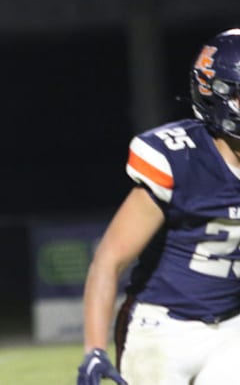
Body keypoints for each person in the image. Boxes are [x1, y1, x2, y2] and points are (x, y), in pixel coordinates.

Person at [77, 28, 240, 385]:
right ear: (217, 94)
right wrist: (94, 349)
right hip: (162, 329)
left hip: (232, 328)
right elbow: (109, 259)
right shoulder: (180, 158)